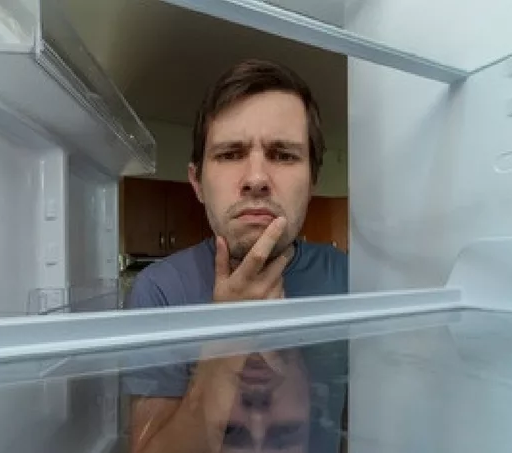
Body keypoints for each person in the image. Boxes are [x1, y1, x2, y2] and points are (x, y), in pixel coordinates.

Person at [122, 59, 349, 453]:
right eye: (230, 154)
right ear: (197, 182)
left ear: (312, 180)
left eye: (283, 154)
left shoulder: (352, 280)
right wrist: (227, 338)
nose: (256, 179)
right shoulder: (159, 291)